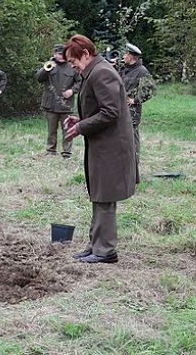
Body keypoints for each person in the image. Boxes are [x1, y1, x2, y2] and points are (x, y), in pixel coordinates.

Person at [63, 34, 136, 264]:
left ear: (85, 54)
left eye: (73, 60)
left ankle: (105, 251)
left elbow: (111, 111)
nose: (72, 66)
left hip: (112, 148)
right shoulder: (93, 71)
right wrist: (79, 119)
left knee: (105, 197)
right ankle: (96, 244)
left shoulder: (102, 72)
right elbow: (100, 108)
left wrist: (81, 127)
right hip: (102, 146)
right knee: (99, 194)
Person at [35, 44, 81, 158]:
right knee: (51, 130)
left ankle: (66, 152)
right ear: (54, 54)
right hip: (50, 104)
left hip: (66, 104)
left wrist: (72, 90)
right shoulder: (49, 65)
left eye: (62, 54)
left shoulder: (72, 66)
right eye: (58, 54)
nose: (60, 56)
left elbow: (81, 82)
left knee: (67, 129)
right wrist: (46, 68)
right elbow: (38, 78)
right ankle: (51, 150)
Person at [119, 43, 156, 183]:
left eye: (125, 54)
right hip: (120, 112)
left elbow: (150, 90)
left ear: (131, 56)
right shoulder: (124, 70)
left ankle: (133, 176)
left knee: (132, 144)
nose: (123, 56)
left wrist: (135, 100)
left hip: (132, 114)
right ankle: (122, 172)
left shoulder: (142, 71)